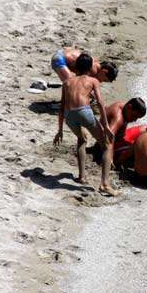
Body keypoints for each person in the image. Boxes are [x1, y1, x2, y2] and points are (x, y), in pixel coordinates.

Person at [53, 53, 117, 196]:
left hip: (69, 116)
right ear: (90, 68)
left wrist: (60, 130)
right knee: (107, 144)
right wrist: (106, 125)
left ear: (76, 67)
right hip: (84, 112)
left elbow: (62, 107)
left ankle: (82, 176)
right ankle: (105, 184)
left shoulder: (67, 82)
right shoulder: (93, 80)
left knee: (82, 138)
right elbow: (100, 103)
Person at [104, 98, 147, 166]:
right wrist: (110, 159)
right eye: (134, 116)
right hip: (112, 145)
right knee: (138, 148)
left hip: (121, 138)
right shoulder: (118, 118)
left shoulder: (123, 106)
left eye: (137, 118)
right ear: (129, 107)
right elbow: (108, 138)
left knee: (145, 129)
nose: (135, 120)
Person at [51, 46, 118, 84]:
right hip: (59, 60)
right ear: (104, 71)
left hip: (62, 53)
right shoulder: (93, 70)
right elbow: (81, 84)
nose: (101, 82)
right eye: (104, 80)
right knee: (71, 84)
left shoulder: (96, 62)